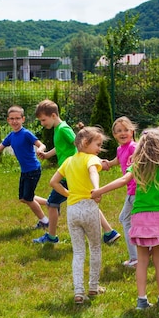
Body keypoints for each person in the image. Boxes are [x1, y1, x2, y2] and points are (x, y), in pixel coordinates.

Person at [92, 126, 159, 310]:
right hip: (158, 218)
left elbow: (121, 181)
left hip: (139, 217)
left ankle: (141, 300)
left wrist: (98, 191)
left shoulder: (136, 166)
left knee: (142, 261)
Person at [33, 99, 120, 245]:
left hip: (70, 173)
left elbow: (82, 144)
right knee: (86, 201)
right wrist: (48, 154)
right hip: (69, 172)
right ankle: (109, 232)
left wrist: (96, 160)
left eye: (43, 120)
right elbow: (62, 147)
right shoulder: (59, 129)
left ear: (53, 115)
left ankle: (51, 237)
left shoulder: (63, 129)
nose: (42, 123)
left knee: (51, 204)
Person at [50, 126, 107, 304]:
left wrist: (68, 195)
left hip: (73, 210)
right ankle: (93, 287)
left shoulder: (68, 161)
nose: (99, 149)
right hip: (89, 208)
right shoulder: (91, 159)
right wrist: (96, 189)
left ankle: (78, 292)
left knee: (78, 252)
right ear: (85, 143)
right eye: (98, 144)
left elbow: (53, 182)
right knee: (95, 247)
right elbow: (92, 171)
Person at [0, 105, 49, 228]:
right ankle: (50, 203)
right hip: (25, 171)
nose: (15, 121)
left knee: (28, 198)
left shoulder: (26, 134)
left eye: (17, 118)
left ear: (23, 119)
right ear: (8, 120)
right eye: (12, 119)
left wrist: (40, 149)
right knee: (24, 198)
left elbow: (42, 144)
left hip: (33, 170)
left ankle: (45, 221)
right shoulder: (11, 136)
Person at [101, 116, 139, 268]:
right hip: (131, 190)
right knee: (128, 219)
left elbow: (140, 160)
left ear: (132, 131)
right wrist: (107, 164)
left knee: (126, 220)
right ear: (114, 135)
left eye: (126, 130)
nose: (123, 133)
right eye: (118, 131)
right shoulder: (120, 148)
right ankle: (145, 250)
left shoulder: (133, 147)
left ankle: (135, 258)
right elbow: (118, 159)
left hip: (136, 190)